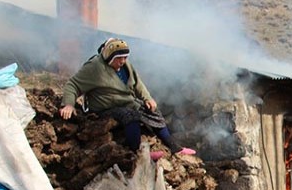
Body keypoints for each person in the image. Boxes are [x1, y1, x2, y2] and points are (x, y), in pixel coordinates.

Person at [59, 38, 195, 160]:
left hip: (128, 101)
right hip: (105, 107)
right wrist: (69, 104)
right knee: (131, 116)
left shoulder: (125, 65)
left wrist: (147, 98)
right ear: (110, 56)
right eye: (119, 58)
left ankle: (175, 148)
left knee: (153, 111)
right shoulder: (94, 67)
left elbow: (137, 83)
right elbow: (73, 85)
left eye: (125, 57)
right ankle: (137, 152)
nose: (122, 61)